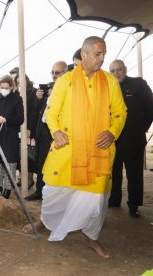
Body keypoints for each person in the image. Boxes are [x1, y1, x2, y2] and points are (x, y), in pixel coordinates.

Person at [24, 36, 127, 259]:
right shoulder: (65, 81)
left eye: (104, 54)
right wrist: (57, 131)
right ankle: (46, 221)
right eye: (97, 54)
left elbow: (120, 112)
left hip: (98, 152)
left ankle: (92, 238)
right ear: (84, 55)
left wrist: (112, 132)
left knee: (95, 200)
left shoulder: (110, 82)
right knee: (53, 192)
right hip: (67, 149)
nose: (102, 58)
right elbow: (51, 112)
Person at [109, 59, 153, 218]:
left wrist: (141, 129)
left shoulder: (138, 84)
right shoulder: (109, 87)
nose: (116, 73)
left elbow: (150, 109)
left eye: (119, 69)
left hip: (133, 139)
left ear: (125, 69)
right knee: (114, 173)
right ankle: (114, 199)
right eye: (112, 71)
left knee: (134, 174)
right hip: (114, 139)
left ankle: (133, 205)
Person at [25, 61, 67, 201]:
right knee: (41, 161)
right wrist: (39, 98)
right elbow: (38, 109)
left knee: (57, 164)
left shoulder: (69, 87)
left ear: (65, 72)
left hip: (59, 131)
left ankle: (54, 195)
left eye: (57, 72)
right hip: (43, 129)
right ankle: (40, 190)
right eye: (53, 72)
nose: (54, 76)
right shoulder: (50, 86)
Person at [0, 75, 24, 199]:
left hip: (10, 135)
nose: (3, 89)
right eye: (1, 87)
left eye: (6, 88)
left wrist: (6, 120)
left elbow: (20, 119)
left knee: (9, 162)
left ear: (12, 87)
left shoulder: (17, 99)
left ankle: (8, 188)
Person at [14, 73, 39, 188]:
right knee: (20, 153)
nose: (20, 84)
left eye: (21, 82)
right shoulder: (16, 93)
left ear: (27, 81)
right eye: (18, 83)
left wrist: (29, 128)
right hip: (18, 127)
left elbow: (34, 112)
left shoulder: (34, 92)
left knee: (29, 154)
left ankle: (29, 180)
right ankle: (21, 178)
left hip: (30, 128)